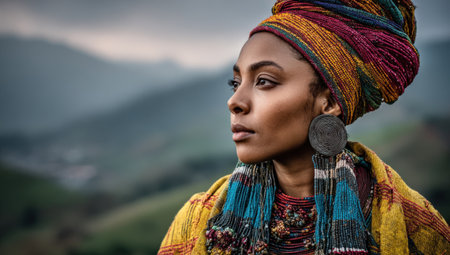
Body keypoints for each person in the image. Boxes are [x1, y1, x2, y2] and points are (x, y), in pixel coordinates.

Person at [158, 0, 450, 254]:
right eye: (236, 83)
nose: (235, 101)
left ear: (329, 101)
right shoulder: (199, 220)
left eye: (264, 82)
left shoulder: (413, 229)